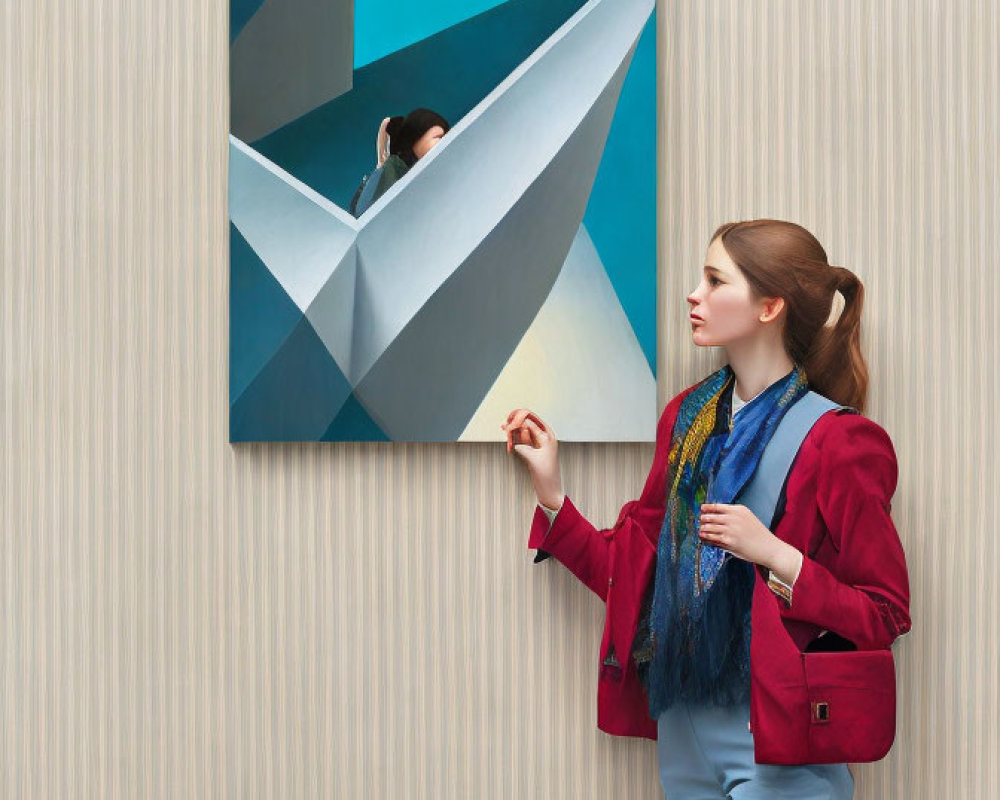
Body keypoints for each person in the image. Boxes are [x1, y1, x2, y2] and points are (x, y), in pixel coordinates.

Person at [502, 219, 911, 799]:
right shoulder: (685, 420)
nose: (694, 294)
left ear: (770, 306)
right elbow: (632, 576)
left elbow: (886, 612)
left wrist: (774, 556)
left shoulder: (837, 442)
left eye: (716, 280)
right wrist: (552, 495)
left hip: (779, 738)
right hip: (681, 728)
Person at [349, 108, 450, 217]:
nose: (443, 142)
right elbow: (363, 213)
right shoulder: (394, 167)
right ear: (417, 137)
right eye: (438, 137)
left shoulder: (420, 169)